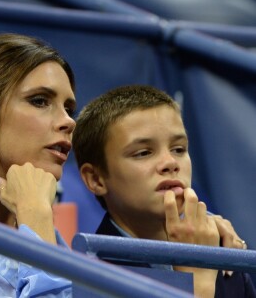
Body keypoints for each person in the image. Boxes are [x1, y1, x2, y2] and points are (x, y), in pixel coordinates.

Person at [72, 85, 256, 297]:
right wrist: (198, 281)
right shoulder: (91, 277)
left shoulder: (223, 254)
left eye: (179, 149)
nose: (170, 163)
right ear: (96, 179)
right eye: (143, 153)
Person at [0, 33, 76, 297]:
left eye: (69, 108)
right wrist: (35, 217)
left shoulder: (42, 226)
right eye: (40, 101)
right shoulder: (37, 220)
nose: (68, 121)